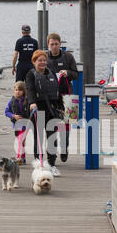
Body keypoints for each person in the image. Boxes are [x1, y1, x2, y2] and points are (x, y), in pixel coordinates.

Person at [26, 50, 64, 177]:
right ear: (34, 62)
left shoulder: (51, 73)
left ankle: (52, 164)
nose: (42, 62)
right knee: (39, 138)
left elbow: (57, 92)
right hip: (37, 109)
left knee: (52, 138)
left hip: (51, 110)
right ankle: (39, 165)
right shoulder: (31, 75)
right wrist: (32, 102)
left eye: (44, 60)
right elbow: (30, 90)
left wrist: (61, 106)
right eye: (39, 60)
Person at [46, 33, 78, 163]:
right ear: (48, 45)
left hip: (68, 94)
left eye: (56, 44)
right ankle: (52, 155)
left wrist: (68, 73)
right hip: (51, 96)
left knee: (67, 124)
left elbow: (76, 74)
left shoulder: (68, 56)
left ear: (60, 44)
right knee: (51, 125)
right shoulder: (45, 58)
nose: (54, 47)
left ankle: (64, 148)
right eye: (51, 44)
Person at [5, 81, 29, 165]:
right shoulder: (11, 101)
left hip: (25, 124)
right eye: (16, 90)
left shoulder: (27, 100)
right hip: (16, 125)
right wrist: (13, 116)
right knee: (21, 141)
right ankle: (22, 157)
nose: (17, 91)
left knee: (20, 140)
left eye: (20, 90)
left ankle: (19, 158)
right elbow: (6, 112)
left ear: (23, 91)